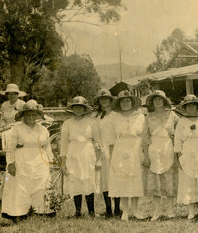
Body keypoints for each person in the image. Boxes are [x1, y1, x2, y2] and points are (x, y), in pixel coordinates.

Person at [0, 99, 52, 221]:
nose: (31, 116)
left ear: (37, 116)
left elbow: (47, 146)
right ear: (23, 115)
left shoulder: (43, 129)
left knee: (40, 184)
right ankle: (18, 213)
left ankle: (40, 211)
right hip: (22, 160)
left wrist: (50, 160)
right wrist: (11, 163)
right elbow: (10, 147)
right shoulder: (17, 129)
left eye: (33, 114)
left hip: (40, 160)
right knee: (21, 186)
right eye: (28, 114)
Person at [107, 90, 147, 221]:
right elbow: (112, 137)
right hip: (120, 148)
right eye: (122, 101)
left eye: (127, 101)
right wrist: (112, 156)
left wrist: (143, 153)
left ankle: (135, 210)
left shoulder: (140, 116)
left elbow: (145, 135)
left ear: (132, 102)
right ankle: (125, 211)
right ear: (119, 103)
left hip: (135, 147)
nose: (125, 103)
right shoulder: (115, 117)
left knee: (135, 178)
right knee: (122, 178)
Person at [58, 96, 98, 218]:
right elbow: (64, 143)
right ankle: (78, 211)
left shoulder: (91, 122)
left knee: (88, 179)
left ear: (85, 109)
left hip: (87, 152)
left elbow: (97, 140)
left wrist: (98, 150)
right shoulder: (67, 123)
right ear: (73, 109)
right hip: (73, 153)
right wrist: (63, 162)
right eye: (76, 107)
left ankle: (91, 211)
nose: (78, 110)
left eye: (81, 107)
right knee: (75, 179)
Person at [142, 89, 178, 221]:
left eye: (160, 99)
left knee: (169, 181)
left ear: (164, 101)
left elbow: (180, 131)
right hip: (154, 149)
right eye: (154, 99)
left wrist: (176, 145)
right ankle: (156, 211)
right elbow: (145, 138)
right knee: (155, 182)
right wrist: (146, 156)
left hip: (168, 149)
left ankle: (170, 210)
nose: (157, 101)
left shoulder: (173, 115)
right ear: (152, 102)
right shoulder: (148, 117)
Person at [174, 94, 198, 221]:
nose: (191, 108)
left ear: (197, 106)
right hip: (187, 151)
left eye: (193, 105)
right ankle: (190, 211)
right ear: (184, 107)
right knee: (188, 180)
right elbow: (177, 139)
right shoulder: (182, 121)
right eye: (188, 106)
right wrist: (179, 156)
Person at [93, 89, 117, 217]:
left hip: (115, 150)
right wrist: (97, 145)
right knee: (104, 180)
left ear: (110, 100)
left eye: (106, 99)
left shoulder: (116, 116)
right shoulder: (96, 117)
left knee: (116, 179)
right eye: (102, 99)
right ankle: (108, 209)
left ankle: (118, 209)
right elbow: (95, 135)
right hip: (102, 151)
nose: (104, 101)